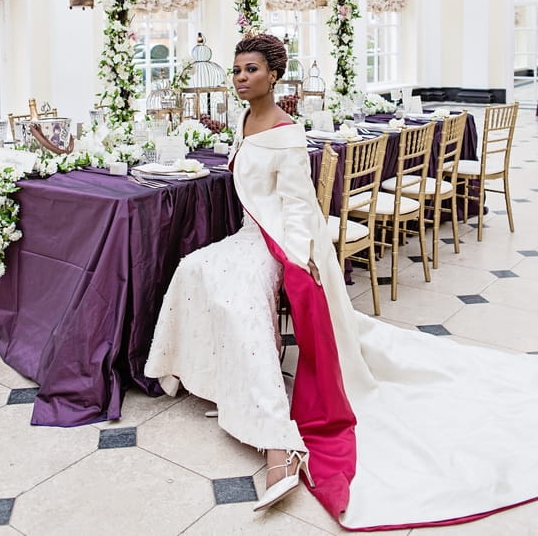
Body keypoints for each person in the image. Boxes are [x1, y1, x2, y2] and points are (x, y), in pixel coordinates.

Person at [145, 33, 538, 530]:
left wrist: (300, 256)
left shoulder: (287, 134)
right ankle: (201, 373)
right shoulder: (243, 120)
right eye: (237, 70)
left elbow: (296, 205)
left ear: (273, 76)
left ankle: (278, 442)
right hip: (249, 234)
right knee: (192, 267)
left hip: (281, 243)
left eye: (251, 70)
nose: (241, 78)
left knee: (242, 297)